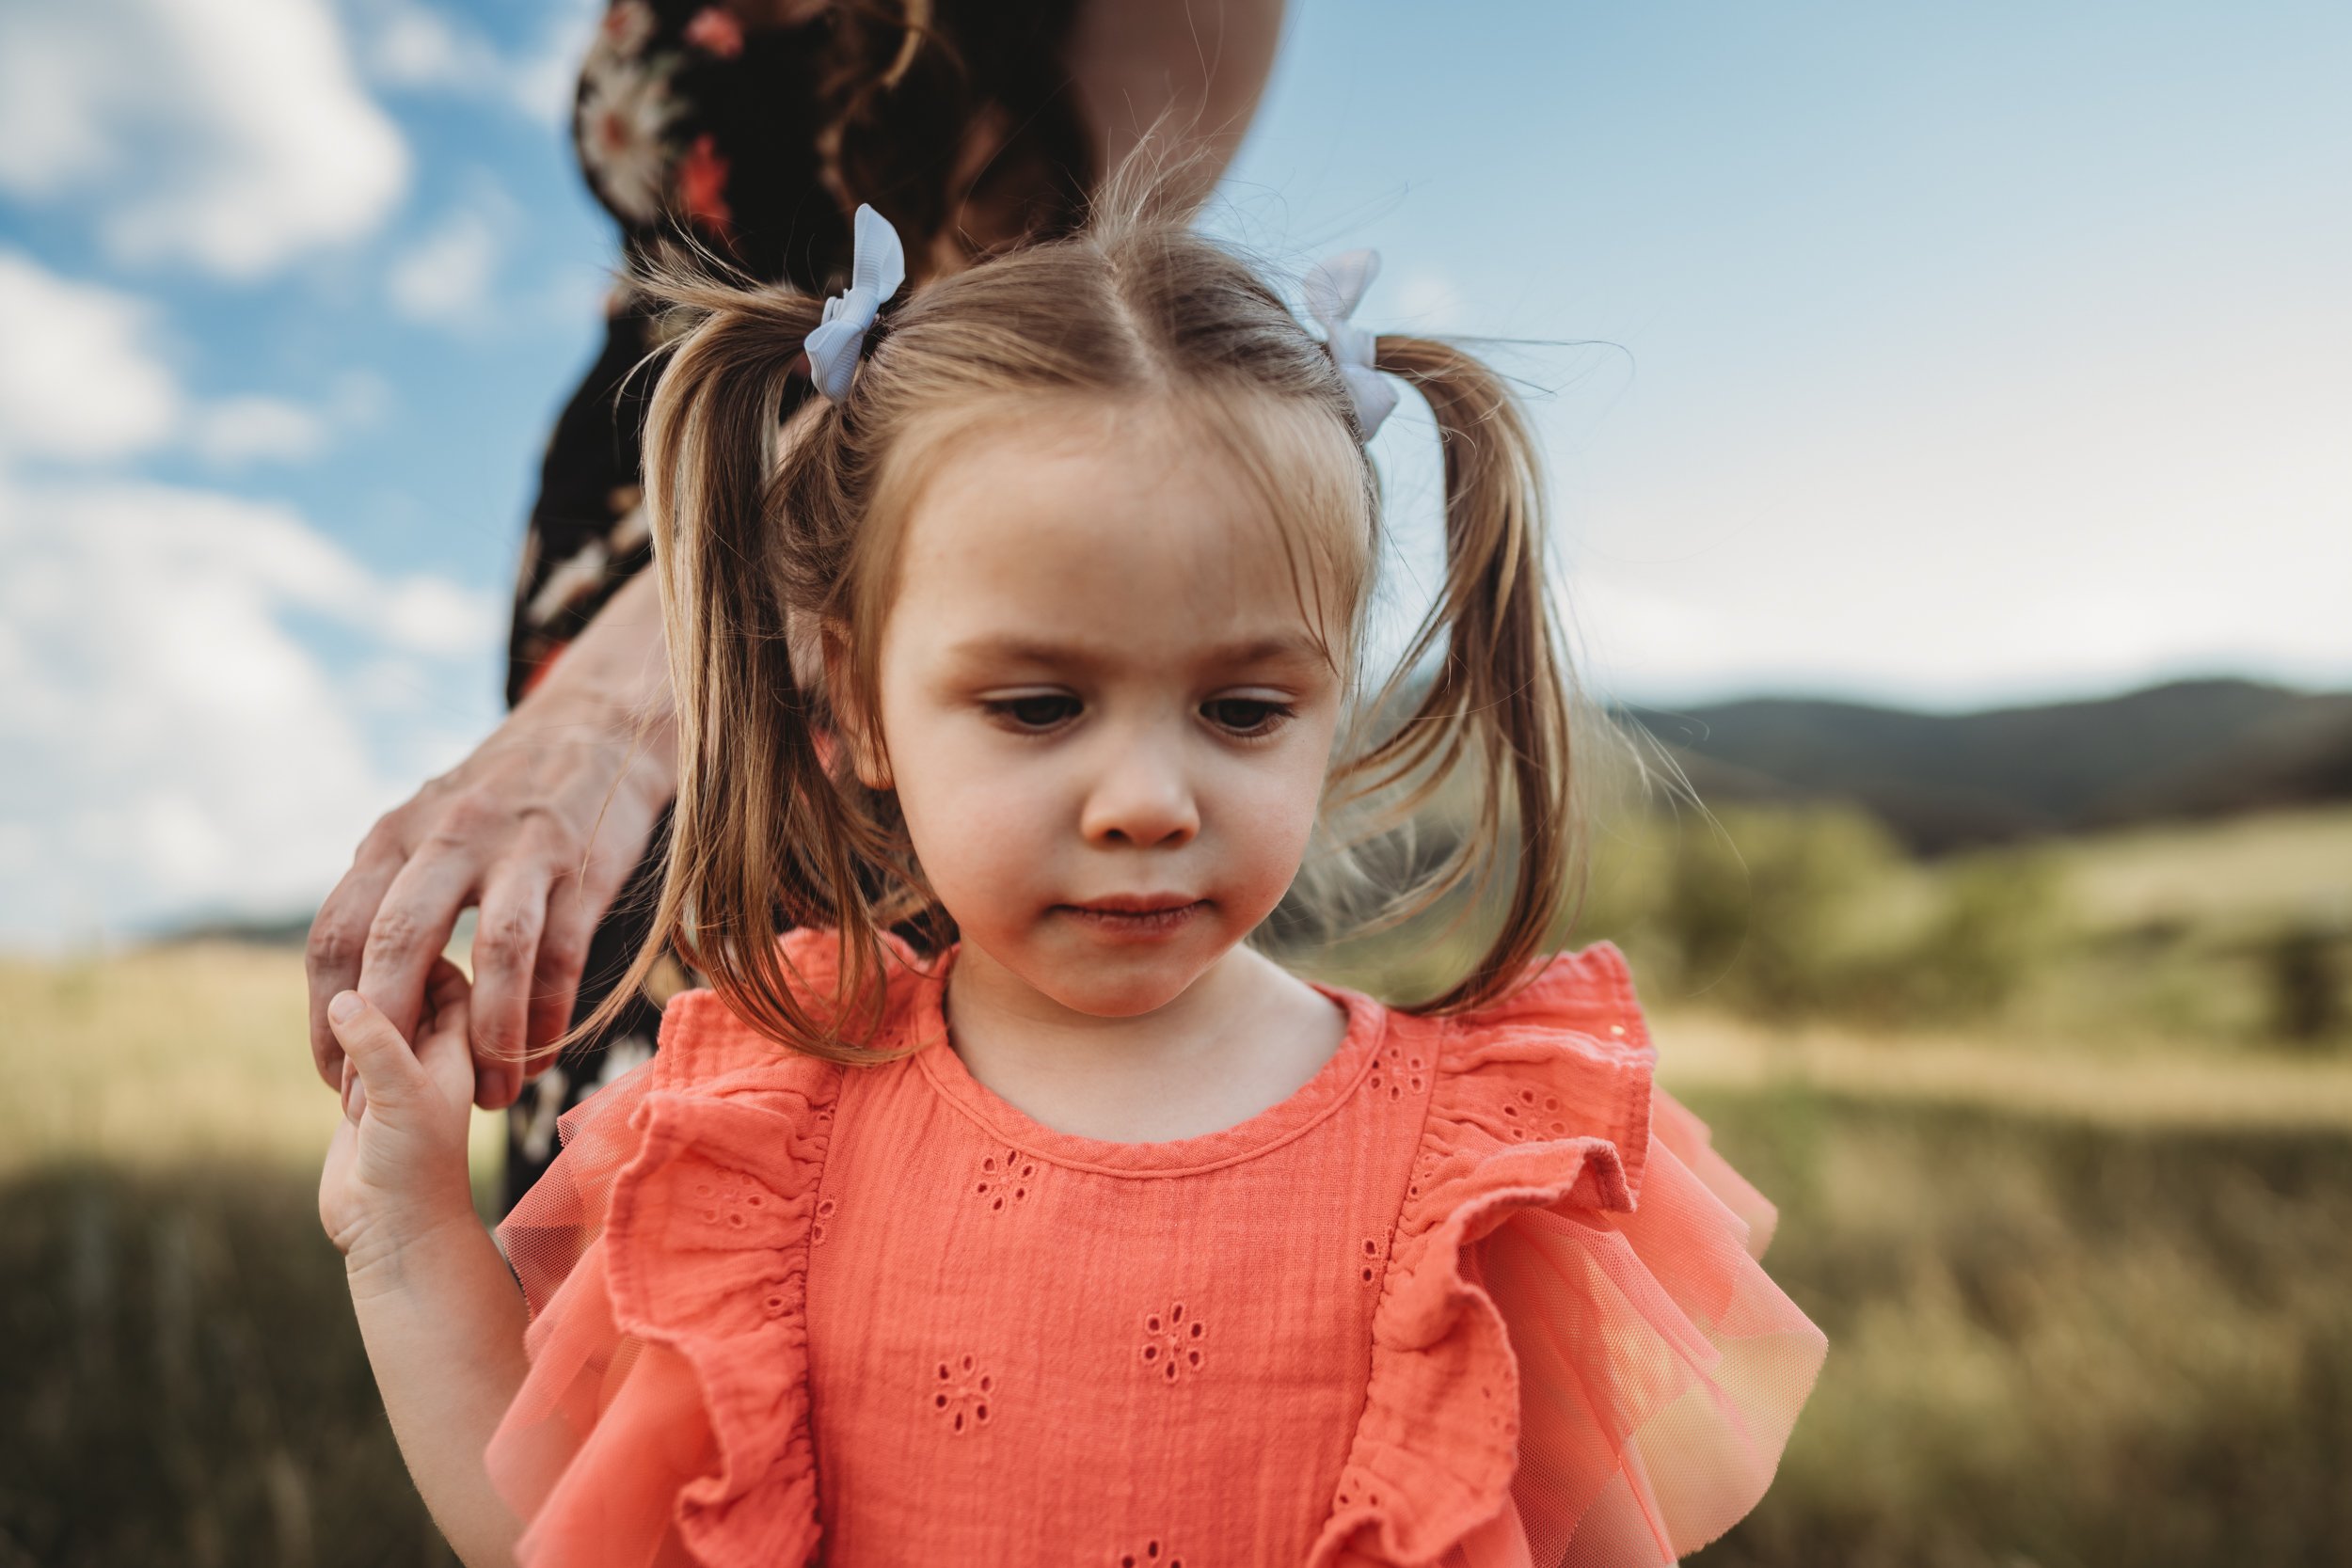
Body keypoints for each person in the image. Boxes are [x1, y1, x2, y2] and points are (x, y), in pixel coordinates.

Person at [316, 172, 1827, 1566]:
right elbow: (566, 1529)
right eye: (1039, 706)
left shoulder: (1486, 1176)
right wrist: (404, 1234)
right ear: (854, 704)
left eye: (1244, 709)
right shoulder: (763, 1127)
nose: (1148, 801)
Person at [300, 0, 1287, 1212]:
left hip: (864, 566)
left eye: (1247, 709)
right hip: (625, 518)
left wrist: (630, 698)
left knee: (838, 1184)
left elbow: (1014, 324)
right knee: (609, 1236)